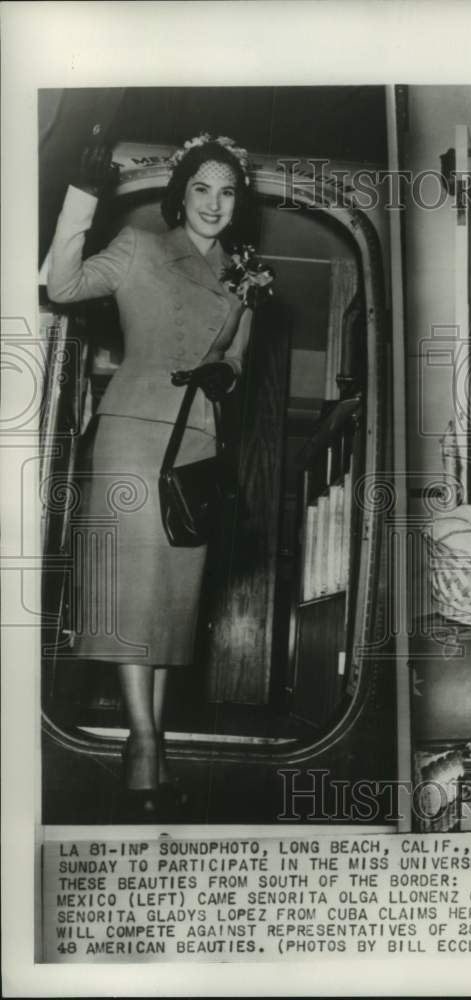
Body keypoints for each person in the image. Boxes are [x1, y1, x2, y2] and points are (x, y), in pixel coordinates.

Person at [47, 130, 261, 817]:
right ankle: (143, 742)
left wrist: (223, 376)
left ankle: (155, 741)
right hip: (134, 437)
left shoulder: (242, 272)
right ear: (181, 193)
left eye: (226, 192)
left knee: (172, 606)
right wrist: (81, 200)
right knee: (133, 596)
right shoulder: (141, 245)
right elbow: (62, 284)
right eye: (201, 187)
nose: (213, 203)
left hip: (195, 443)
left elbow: (237, 360)